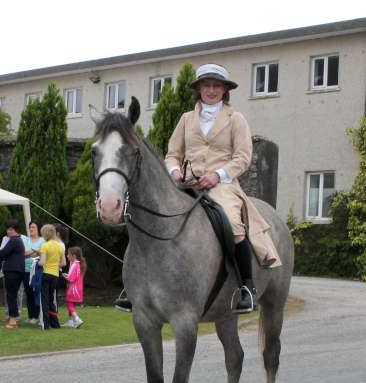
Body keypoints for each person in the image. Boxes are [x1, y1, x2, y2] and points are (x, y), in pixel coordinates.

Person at [116, 63, 279, 314]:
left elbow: (243, 157)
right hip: (187, 183)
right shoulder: (186, 119)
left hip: (222, 185)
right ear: (199, 89)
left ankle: (246, 288)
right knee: (149, 217)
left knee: (234, 226)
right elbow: (173, 154)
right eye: (206, 85)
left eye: (216, 86)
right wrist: (174, 171)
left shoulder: (236, 119)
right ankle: (134, 285)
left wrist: (218, 175)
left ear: (225, 90)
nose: (211, 90)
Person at [0, 219, 26, 329]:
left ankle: (13, 321)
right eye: (7, 229)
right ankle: (13, 318)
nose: (8, 231)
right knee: (12, 295)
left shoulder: (14, 240)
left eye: (10, 229)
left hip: (12, 270)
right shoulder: (18, 240)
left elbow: (1, 253)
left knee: (11, 296)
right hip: (17, 270)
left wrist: (3, 253)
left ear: (16, 230)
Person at [37, 224, 65, 329]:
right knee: (51, 299)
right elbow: (63, 263)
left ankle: (46, 324)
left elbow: (42, 262)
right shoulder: (59, 246)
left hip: (46, 274)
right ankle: (55, 324)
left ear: (45, 234)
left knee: (44, 299)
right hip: (55, 276)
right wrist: (54, 263)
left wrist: (37, 263)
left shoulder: (45, 246)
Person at [21, 221, 45, 324]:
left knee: (36, 292)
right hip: (26, 270)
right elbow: (23, 253)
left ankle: (36, 316)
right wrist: (34, 251)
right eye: (30, 227)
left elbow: (43, 253)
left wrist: (32, 252)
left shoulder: (43, 240)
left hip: (37, 271)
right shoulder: (26, 240)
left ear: (38, 229)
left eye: (33, 227)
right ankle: (30, 316)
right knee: (28, 293)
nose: (31, 229)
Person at [62, 246, 86, 328]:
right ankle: (71, 321)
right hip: (78, 288)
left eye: (68, 254)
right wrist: (68, 275)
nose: (67, 256)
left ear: (74, 256)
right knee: (71, 303)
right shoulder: (78, 263)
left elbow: (71, 278)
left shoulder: (75, 264)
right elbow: (74, 276)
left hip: (73, 288)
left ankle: (77, 319)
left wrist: (64, 275)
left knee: (69, 303)